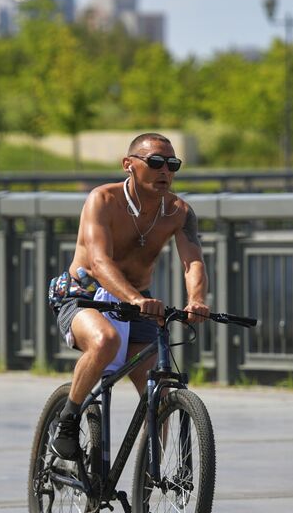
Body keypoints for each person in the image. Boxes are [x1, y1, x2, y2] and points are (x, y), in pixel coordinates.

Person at [47, 133, 210, 460]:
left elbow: (192, 260)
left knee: (160, 394)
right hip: (84, 293)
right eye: (155, 163)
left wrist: (198, 300)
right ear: (128, 165)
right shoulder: (103, 200)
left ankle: (148, 489)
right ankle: (67, 420)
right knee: (105, 341)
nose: (165, 171)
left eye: (172, 164)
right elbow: (98, 261)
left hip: (136, 300)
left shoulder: (178, 212)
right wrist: (135, 299)